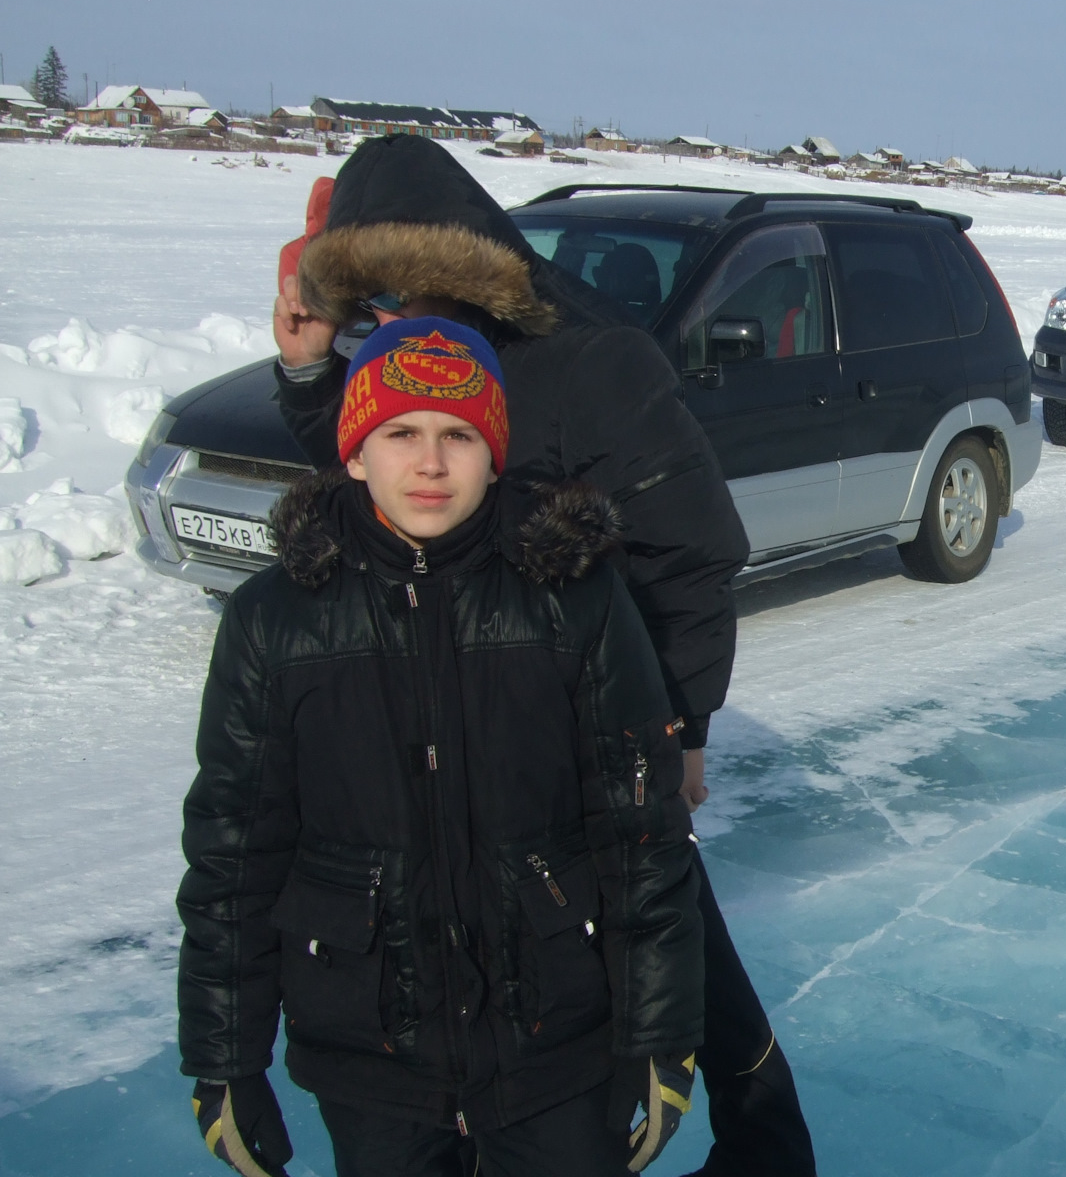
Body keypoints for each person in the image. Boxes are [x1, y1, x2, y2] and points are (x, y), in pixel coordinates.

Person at [267, 138, 816, 1177]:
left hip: (596, 725)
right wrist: (307, 363)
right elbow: (362, 480)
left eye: (395, 287)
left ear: (451, 261)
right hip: (474, 732)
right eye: (366, 297)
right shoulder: (400, 357)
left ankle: (764, 1146)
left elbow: (695, 551)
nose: (383, 316)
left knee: (665, 946)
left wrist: (678, 729)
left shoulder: (591, 360)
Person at [179, 319, 703, 1176]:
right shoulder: (275, 621)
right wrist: (223, 1059)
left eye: (459, 435)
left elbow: (641, 831)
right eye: (401, 433)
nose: (430, 463)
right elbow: (233, 852)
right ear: (354, 452)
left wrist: (660, 1035)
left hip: (557, 1042)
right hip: (372, 1052)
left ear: (495, 454)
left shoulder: (574, 598)